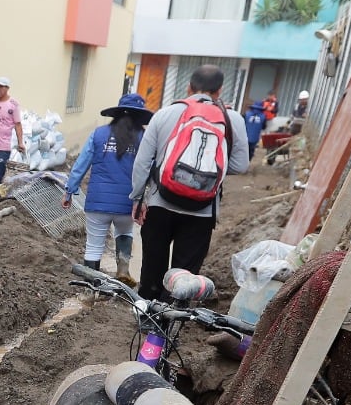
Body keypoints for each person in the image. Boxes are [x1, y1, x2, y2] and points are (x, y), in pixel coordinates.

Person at [129, 64, 250, 300]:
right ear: (220, 90)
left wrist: (137, 198)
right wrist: (208, 175)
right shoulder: (232, 118)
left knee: (153, 265)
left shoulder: (164, 114)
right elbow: (240, 165)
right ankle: (168, 324)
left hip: (159, 203)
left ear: (189, 87)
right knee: (185, 275)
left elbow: (142, 163)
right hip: (202, 211)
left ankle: (147, 320)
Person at [63, 93, 152, 284]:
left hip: (97, 202)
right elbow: (149, 170)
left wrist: (70, 190)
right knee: (125, 232)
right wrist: (145, 199)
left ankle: (90, 287)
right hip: (127, 203)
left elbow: (81, 164)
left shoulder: (98, 134)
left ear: (117, 114)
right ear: (140, 117)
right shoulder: (144, 138)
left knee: (94, 245)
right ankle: (122, 270)